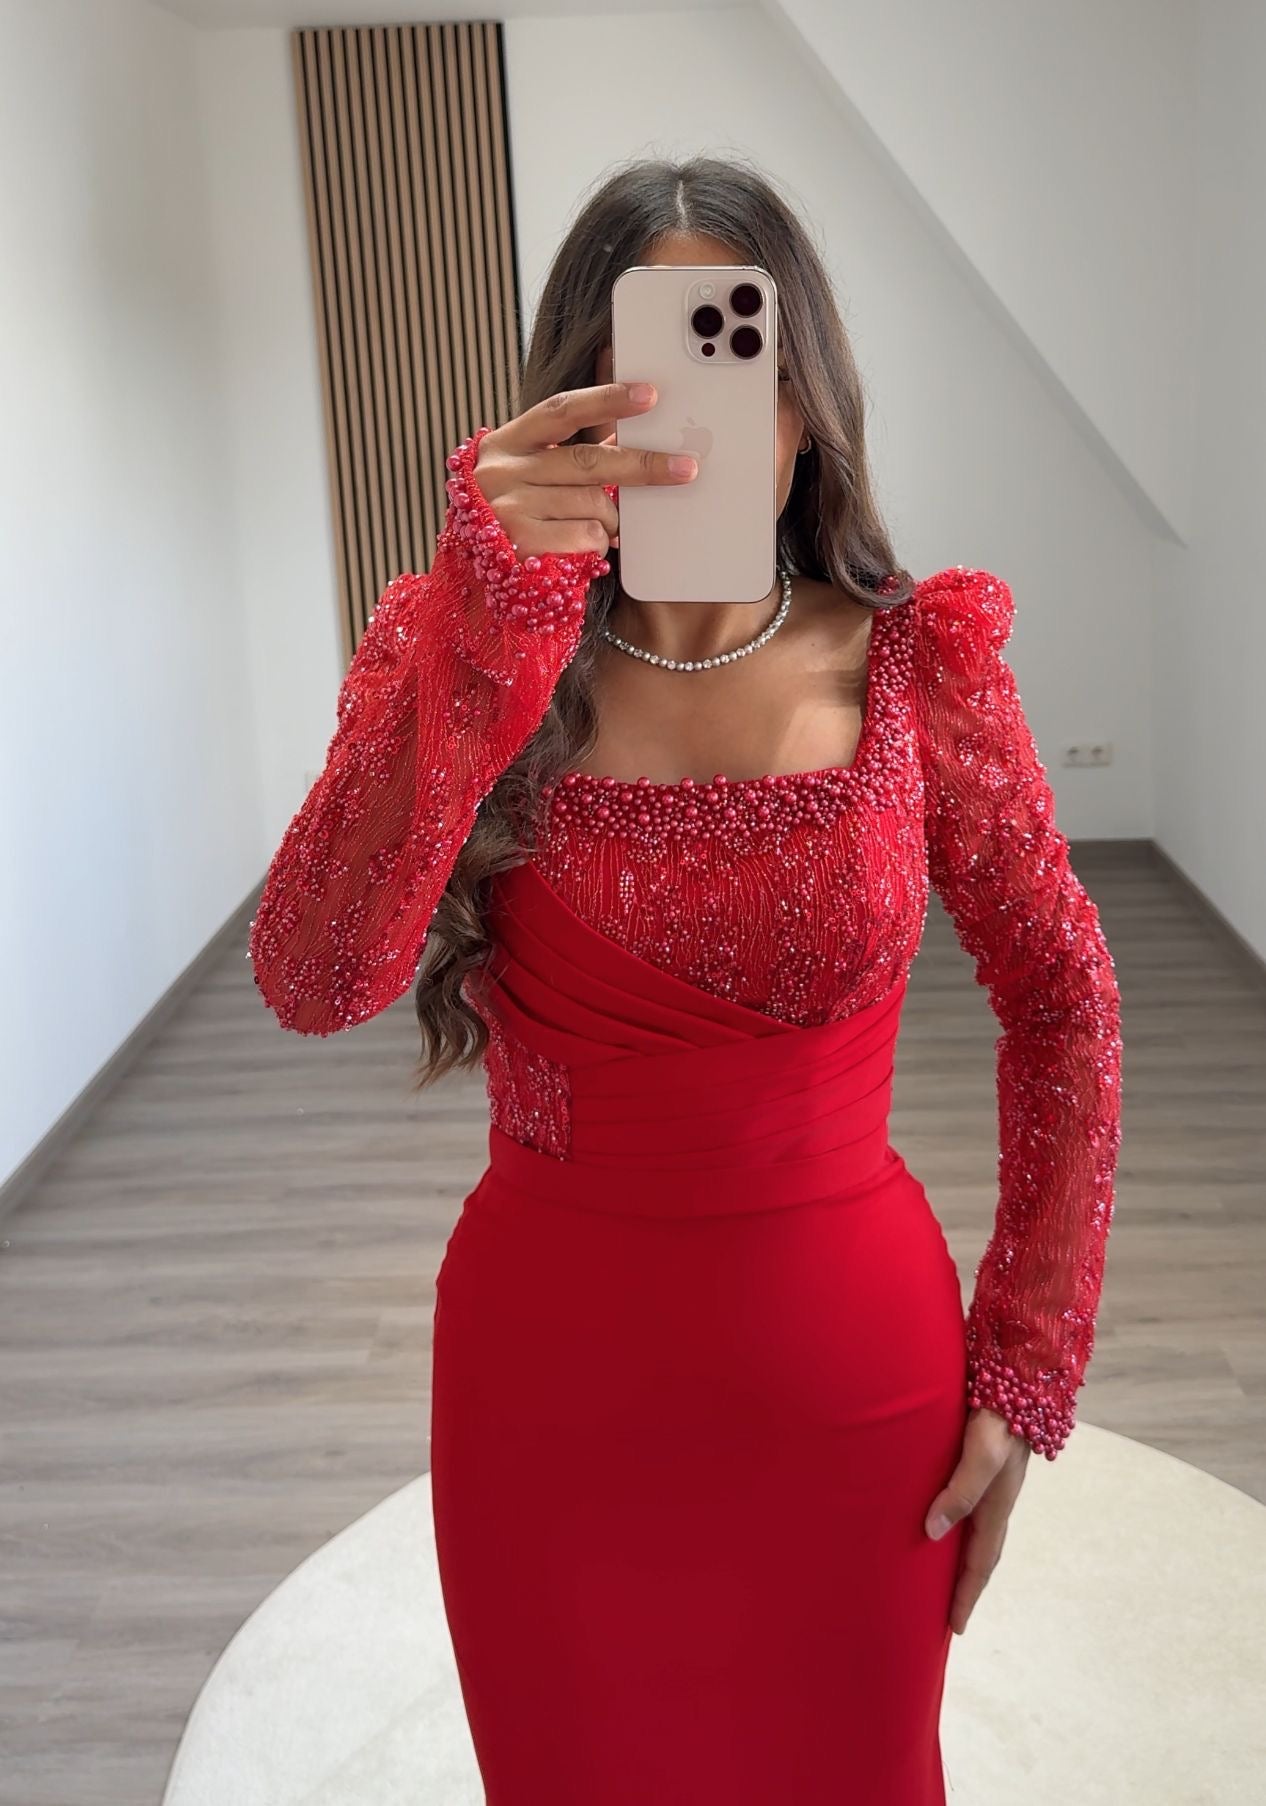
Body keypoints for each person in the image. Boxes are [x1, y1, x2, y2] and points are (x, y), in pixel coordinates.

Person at [247, 156, 1123, 1805]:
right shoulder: (462, 644)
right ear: (570, 410)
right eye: (647, 371)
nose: (701, 426)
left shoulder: (915, 661)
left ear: (809, 405)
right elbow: (310, 973)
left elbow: (1061, 993)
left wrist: (1024, 1357)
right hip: (547, 1386)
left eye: (741, 359)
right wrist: (484, 629)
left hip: (850, 1385)